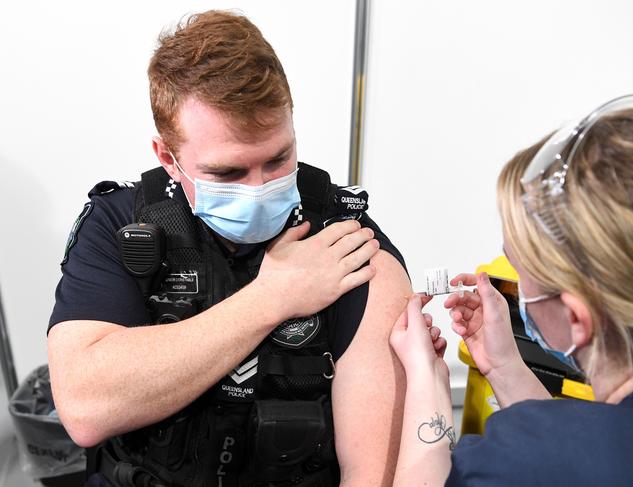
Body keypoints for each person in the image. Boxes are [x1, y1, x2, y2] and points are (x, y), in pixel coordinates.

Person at [47, 10, 412, 487]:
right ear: (167, 158)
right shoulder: (121, 225)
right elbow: (85, 408)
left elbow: (374, 475)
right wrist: (272, 297)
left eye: (278, 159)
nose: (259, 188)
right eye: (227, 173)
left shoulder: (347, 244)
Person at [390, 95, 633, 486]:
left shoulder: (517, 459)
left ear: (575, 318)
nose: (513, 285)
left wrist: (425, 377)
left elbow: (554, 457)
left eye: (521, 272)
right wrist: (505, 368)